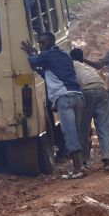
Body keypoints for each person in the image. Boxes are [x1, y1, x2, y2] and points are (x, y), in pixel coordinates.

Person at [21, 32, 86, 179]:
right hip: (78, 96)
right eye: (40, 43)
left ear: (50, 43)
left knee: (69, 133)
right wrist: (39, 69)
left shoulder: (47, 55)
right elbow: (50, 75)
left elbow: (33, 61)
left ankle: (78, 169)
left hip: (65, 98)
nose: (41, 45)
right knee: (75, 131)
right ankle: (81, 165)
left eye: (43, 43)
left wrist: (31, 52)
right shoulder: (65, 55)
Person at [70, 48, 109, 172]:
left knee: (83, 128)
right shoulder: (89, 68)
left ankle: (83, 161)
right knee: (103, 127)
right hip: (102, 90)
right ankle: (107, 161)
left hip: (87, 91)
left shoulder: (72, 65)